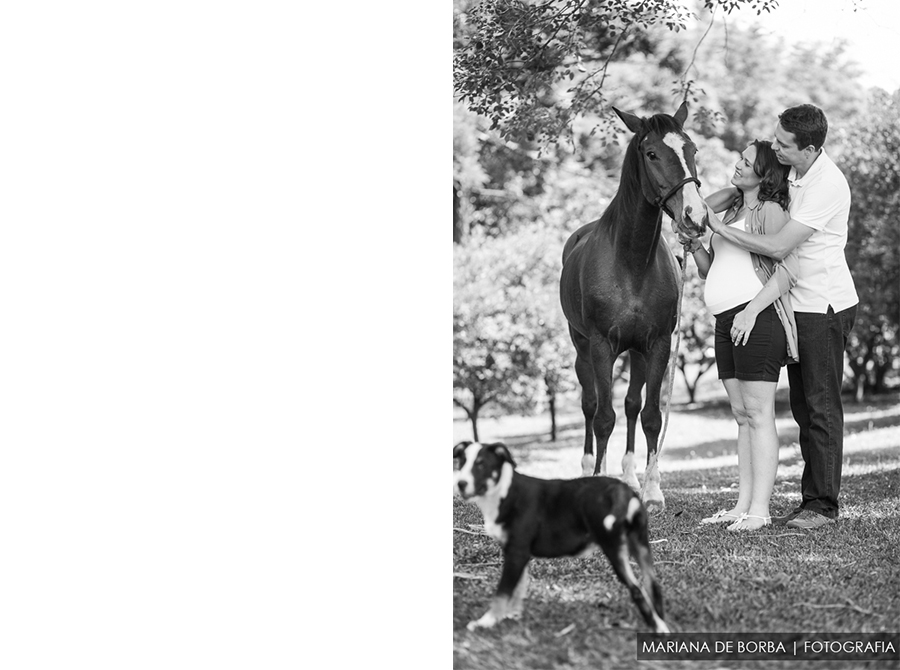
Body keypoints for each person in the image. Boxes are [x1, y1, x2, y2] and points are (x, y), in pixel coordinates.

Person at [703, 104, 858, 530]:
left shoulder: (827, 184)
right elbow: (723, 197)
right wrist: (702, 207)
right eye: (775, 139)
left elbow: (775, 248)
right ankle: (802, 498)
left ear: (808, 149)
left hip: (820, 304)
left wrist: (714, 226)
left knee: (819, 405)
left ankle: (822, 505)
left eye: (783, 144)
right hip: (790, 305)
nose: (775, 147)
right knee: (800, 406)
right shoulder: (790, 171)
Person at [683, 140, 799, 531]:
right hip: (725, 319)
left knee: (759, 414)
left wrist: (751, 311)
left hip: (756, 317)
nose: (737, 165)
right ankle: (742, 504)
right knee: (741, 415)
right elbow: (711, 269)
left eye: (746, 162)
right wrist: (698, 245)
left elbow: (787, 271)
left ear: (763, 174)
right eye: (739, 158)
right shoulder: (733, 208)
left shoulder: (770, 211)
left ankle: (760, 510)